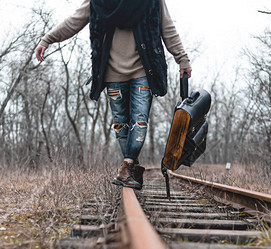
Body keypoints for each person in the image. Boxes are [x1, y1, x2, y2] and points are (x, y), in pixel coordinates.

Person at [35, 0, 192, 190]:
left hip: (143, 70)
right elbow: (75, 21)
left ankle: (127, 166)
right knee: (121, 125)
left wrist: (182, 58)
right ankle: (131, 168)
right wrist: (47, 39)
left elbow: (167, 27)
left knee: (139, 120)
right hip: (112, 73)